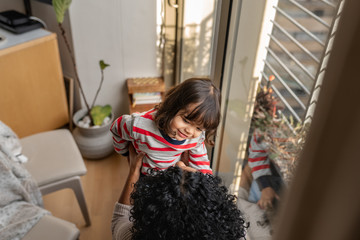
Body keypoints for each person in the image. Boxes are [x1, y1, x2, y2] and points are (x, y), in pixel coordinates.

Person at [112, 145, 247, 240]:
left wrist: (133, 170)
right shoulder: (236, 234)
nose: (179, 164)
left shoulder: (130, 236)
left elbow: (119, 219)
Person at [110, 78, 221, 175]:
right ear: (172, 106)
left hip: (170, 177)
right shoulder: (140, 126)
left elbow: (202, 163)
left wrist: (207, 185)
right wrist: (125, 152)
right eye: (186, 120)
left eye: (198, 128)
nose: (189, 131)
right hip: (144, 175)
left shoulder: (196, 138)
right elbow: (117, 127)